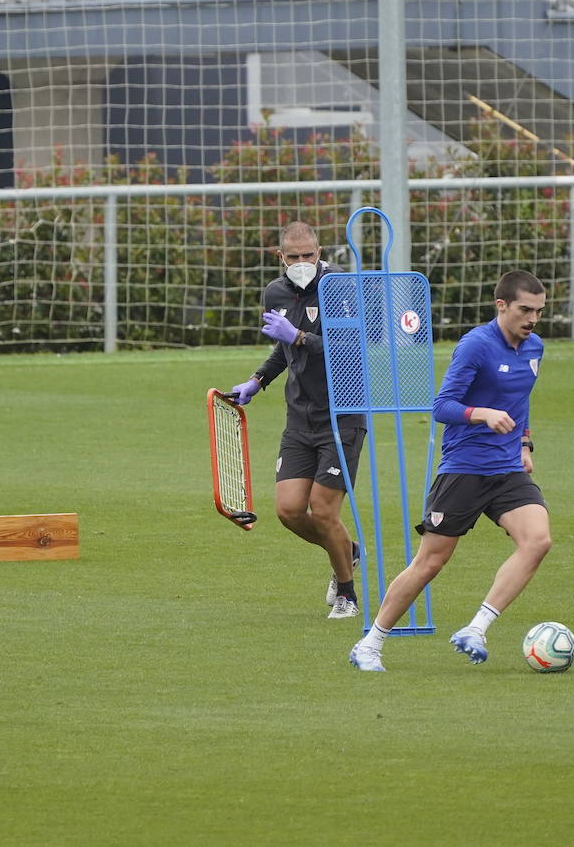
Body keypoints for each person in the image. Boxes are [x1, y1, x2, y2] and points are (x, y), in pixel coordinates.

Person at [349, 270, 552, 671]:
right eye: (525, 310)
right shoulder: (476, 346)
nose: (532, 319)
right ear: (502, 306)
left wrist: (524, 442)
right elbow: (442, 406)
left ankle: (476, 628)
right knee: (431, 562)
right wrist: (482, 414)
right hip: (464, 469)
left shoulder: (535, 349)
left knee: (538, 540)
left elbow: (520, 400)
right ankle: (370, 643)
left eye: (539, 311)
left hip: (507, 469)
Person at [230, 220, 365, 619]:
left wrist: (300, 337)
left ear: (320, 252)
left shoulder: (341, 287)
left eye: (309, 255)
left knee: (324, 512)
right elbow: (284, 350)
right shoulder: (276, 291)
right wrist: (257, 381)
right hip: (300, 418)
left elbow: (350, 347)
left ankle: (347, 595)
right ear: (280, 257)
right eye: (294, 257)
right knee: (289, 511)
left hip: (342, 415)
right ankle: (348, 551)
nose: (303, 262)